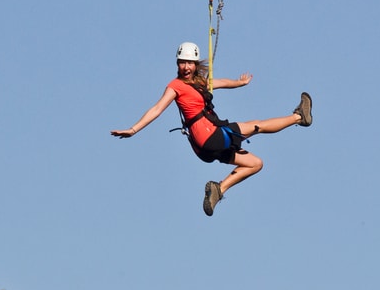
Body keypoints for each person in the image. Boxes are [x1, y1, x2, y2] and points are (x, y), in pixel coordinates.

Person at [111, 42, 312, 216]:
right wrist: (133, 129)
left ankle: (219, 189)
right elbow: (157, 109)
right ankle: (299, 117)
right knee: (255, 125)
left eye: (190, 63)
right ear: (177, 64)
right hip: (208, 136)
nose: (186, 67)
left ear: (196, 64)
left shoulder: (200, 83)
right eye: (182, 62)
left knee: (255, 163)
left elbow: (221, 83)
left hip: (206, 147)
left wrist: (239, 83)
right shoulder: (176, 86)